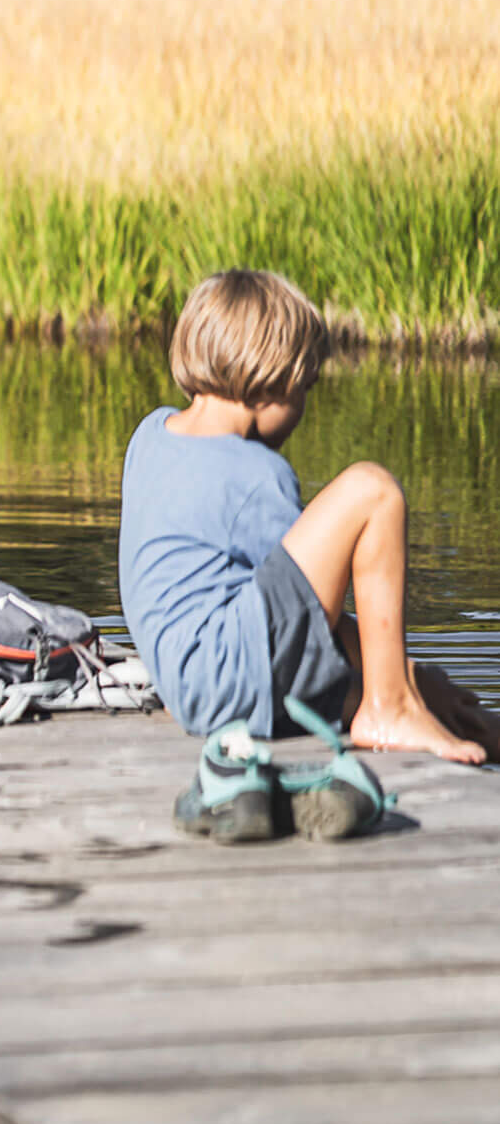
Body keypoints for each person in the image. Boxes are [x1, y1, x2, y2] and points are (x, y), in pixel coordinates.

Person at [120, 267, 500, 762]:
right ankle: (390, 708)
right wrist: (407, 679)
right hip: (228, 673)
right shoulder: (255, 473)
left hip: (191, 683)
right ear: (272, 380)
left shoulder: (151, 436)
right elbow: (317, 612)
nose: (303, 407)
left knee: (448, 710)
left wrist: (415, 678)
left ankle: (404, 702)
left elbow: (291, 608)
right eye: (305, 387)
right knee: (375, 491)